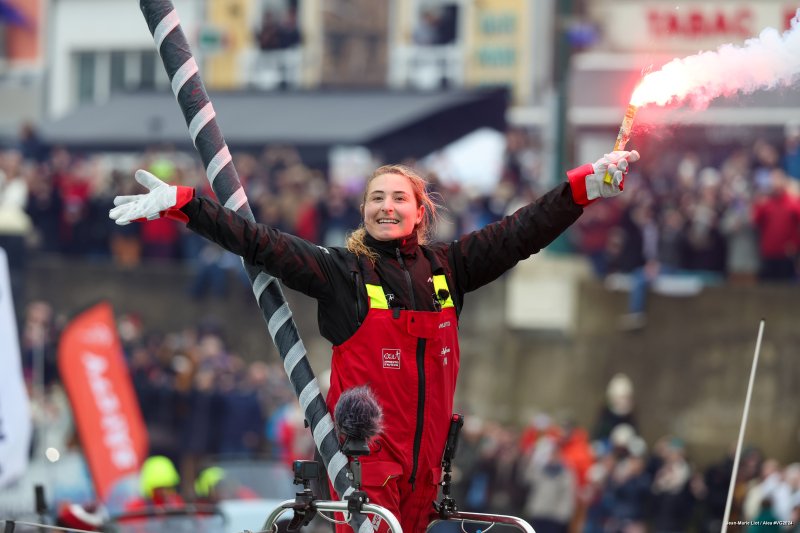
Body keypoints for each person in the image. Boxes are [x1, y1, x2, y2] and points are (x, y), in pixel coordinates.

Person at [109, 150, 640, 533]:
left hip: (428, 474)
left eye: (398, 197)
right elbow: (260, 242)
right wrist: (186, 205)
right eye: (375, 198)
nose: (386, 206)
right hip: (368, 476)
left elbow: (522, 231)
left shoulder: (449, 269)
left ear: (420, 211)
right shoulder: (342, 273)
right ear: (363, 210)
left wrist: (583, 187)